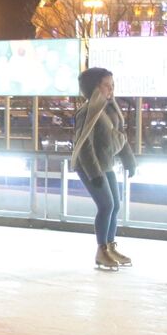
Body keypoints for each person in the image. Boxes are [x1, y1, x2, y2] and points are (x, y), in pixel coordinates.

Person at [71, 67, 136, 271]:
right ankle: (102, 251)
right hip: (90, 166)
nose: (111, 89)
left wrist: (129, 160)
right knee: (106, 205)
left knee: (115, 206)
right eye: (106, 85)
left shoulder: (109, 109)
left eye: (112, 85)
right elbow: (84, 145)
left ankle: (110, 246)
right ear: (94, 88)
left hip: (106, 164)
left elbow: (119, 136)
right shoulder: (88, 112)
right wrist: (94, 174)